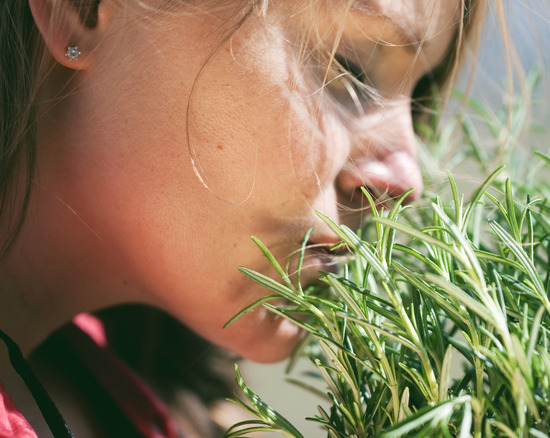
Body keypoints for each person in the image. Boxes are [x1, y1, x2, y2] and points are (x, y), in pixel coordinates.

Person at [0, 0, 487, 436]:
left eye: (417, 96)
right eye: (352, 67)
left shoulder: (120, 400)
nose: (408, 179)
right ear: (78, 8)